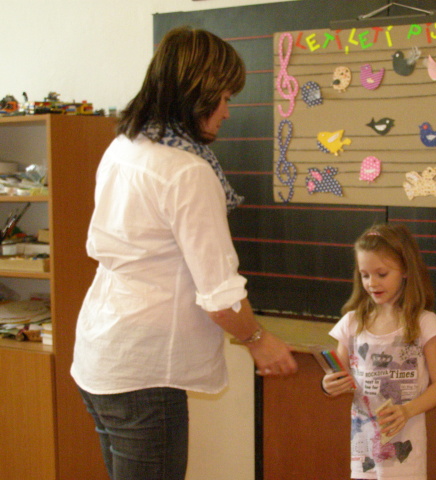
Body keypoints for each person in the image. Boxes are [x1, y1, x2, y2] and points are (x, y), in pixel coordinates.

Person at [70, 26, 297, 480]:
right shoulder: (187, 172)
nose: (227, 112)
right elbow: (220, 298)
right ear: (198, 94)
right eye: (225, 98)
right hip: (146, 371)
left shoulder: (124, 146)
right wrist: (259, 340)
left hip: (102, 354)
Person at [322, 223, 436, 480]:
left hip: (406, 452)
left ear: (405, 270)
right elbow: (340, 376)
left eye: (381, 274)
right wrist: (328, 384)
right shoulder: (352, 323)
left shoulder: (424, 323)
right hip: (365, 450)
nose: (372, 283)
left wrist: (407, 410)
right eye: (365, 275)